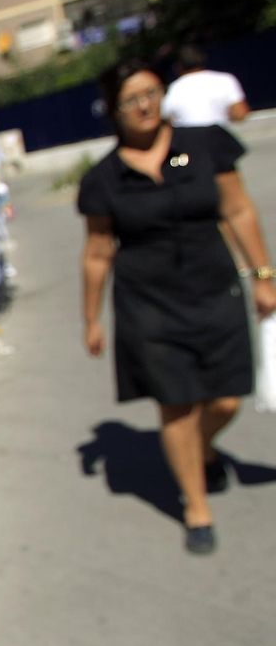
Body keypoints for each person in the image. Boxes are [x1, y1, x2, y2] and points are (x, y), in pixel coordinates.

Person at [78, 60, 276, 555]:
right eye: (130, 99)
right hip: (149, 305)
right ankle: (195, 505)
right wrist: (90, 319)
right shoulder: (105, 178)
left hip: (214, 289)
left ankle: (203, 448)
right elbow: (98, 253)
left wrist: (263, 276)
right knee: (177, 406)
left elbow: (236, 209)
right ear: (113, 110)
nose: (144, 105)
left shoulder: (199, 148)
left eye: (150, 93)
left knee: (226, 398)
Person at [162, 44, 250, 127]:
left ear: (177, 66)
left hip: (189, 140)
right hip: (220, 137)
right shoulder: (226, 80)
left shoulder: (174, 88)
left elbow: (167, 119)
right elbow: (240, 114)